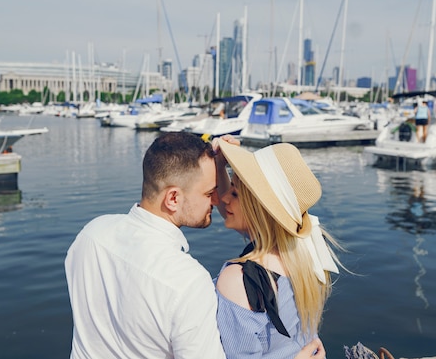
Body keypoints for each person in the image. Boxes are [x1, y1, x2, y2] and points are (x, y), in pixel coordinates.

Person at [65, 131, 324, 359]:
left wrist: (217, 167)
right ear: (174, 198)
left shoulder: (91, 234)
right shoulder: (189, 282)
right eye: (208, 192)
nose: (217, 199)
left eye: (230, 192)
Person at [212, 139, 341, 359]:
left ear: (258, 211)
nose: (223, 199)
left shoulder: (240, 281)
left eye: (235, 193)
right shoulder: (310, 250)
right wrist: (219, 165)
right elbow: (237, 213)